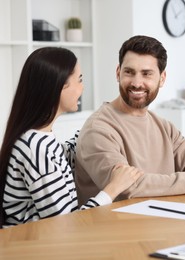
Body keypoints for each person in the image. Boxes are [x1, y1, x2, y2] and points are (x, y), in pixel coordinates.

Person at [75, 35, 185, 205]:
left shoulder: (163, 126)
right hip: (114, 227)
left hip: (161, 220)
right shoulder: (98, 128)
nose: (136, 83)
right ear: (118, 73)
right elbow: (127, 187)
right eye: (129, 72)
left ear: (162, 78)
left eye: (146, 74)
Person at [0, 47, 144, 228]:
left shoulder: (41, 139)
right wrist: (114, 187)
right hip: (33, 248)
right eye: (79, 80)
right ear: (59, 85)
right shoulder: (35, 148)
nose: (82, 87)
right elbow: (66, 224)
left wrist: (101, 125)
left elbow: (68, 154)